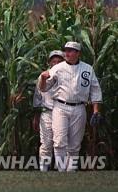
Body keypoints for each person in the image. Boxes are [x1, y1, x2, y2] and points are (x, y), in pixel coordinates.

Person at [38, 41, 102, 172]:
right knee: (59, 141)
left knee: (74, 144)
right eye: (66, 50)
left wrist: (96, 111)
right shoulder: (58, 68)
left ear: (78, 53)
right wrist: (43, 79)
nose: (66, 53)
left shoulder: (88, 69)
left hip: (79, 108)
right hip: (60, 107)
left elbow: (95, 90)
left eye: (70, 50)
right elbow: (43, 89)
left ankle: (70, 172)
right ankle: (61, 171)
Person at [32, 50, 65, 171]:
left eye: (59, 61)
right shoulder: (43, 76)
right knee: (46, 143)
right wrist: (36, 116)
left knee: (61, 142)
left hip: (63, 112)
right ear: (49, 62)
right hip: (47, 113)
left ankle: (62, 169)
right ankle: (44, 169)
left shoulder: (66, 76)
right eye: (53, 61)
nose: (56, 63)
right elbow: (37, 97)